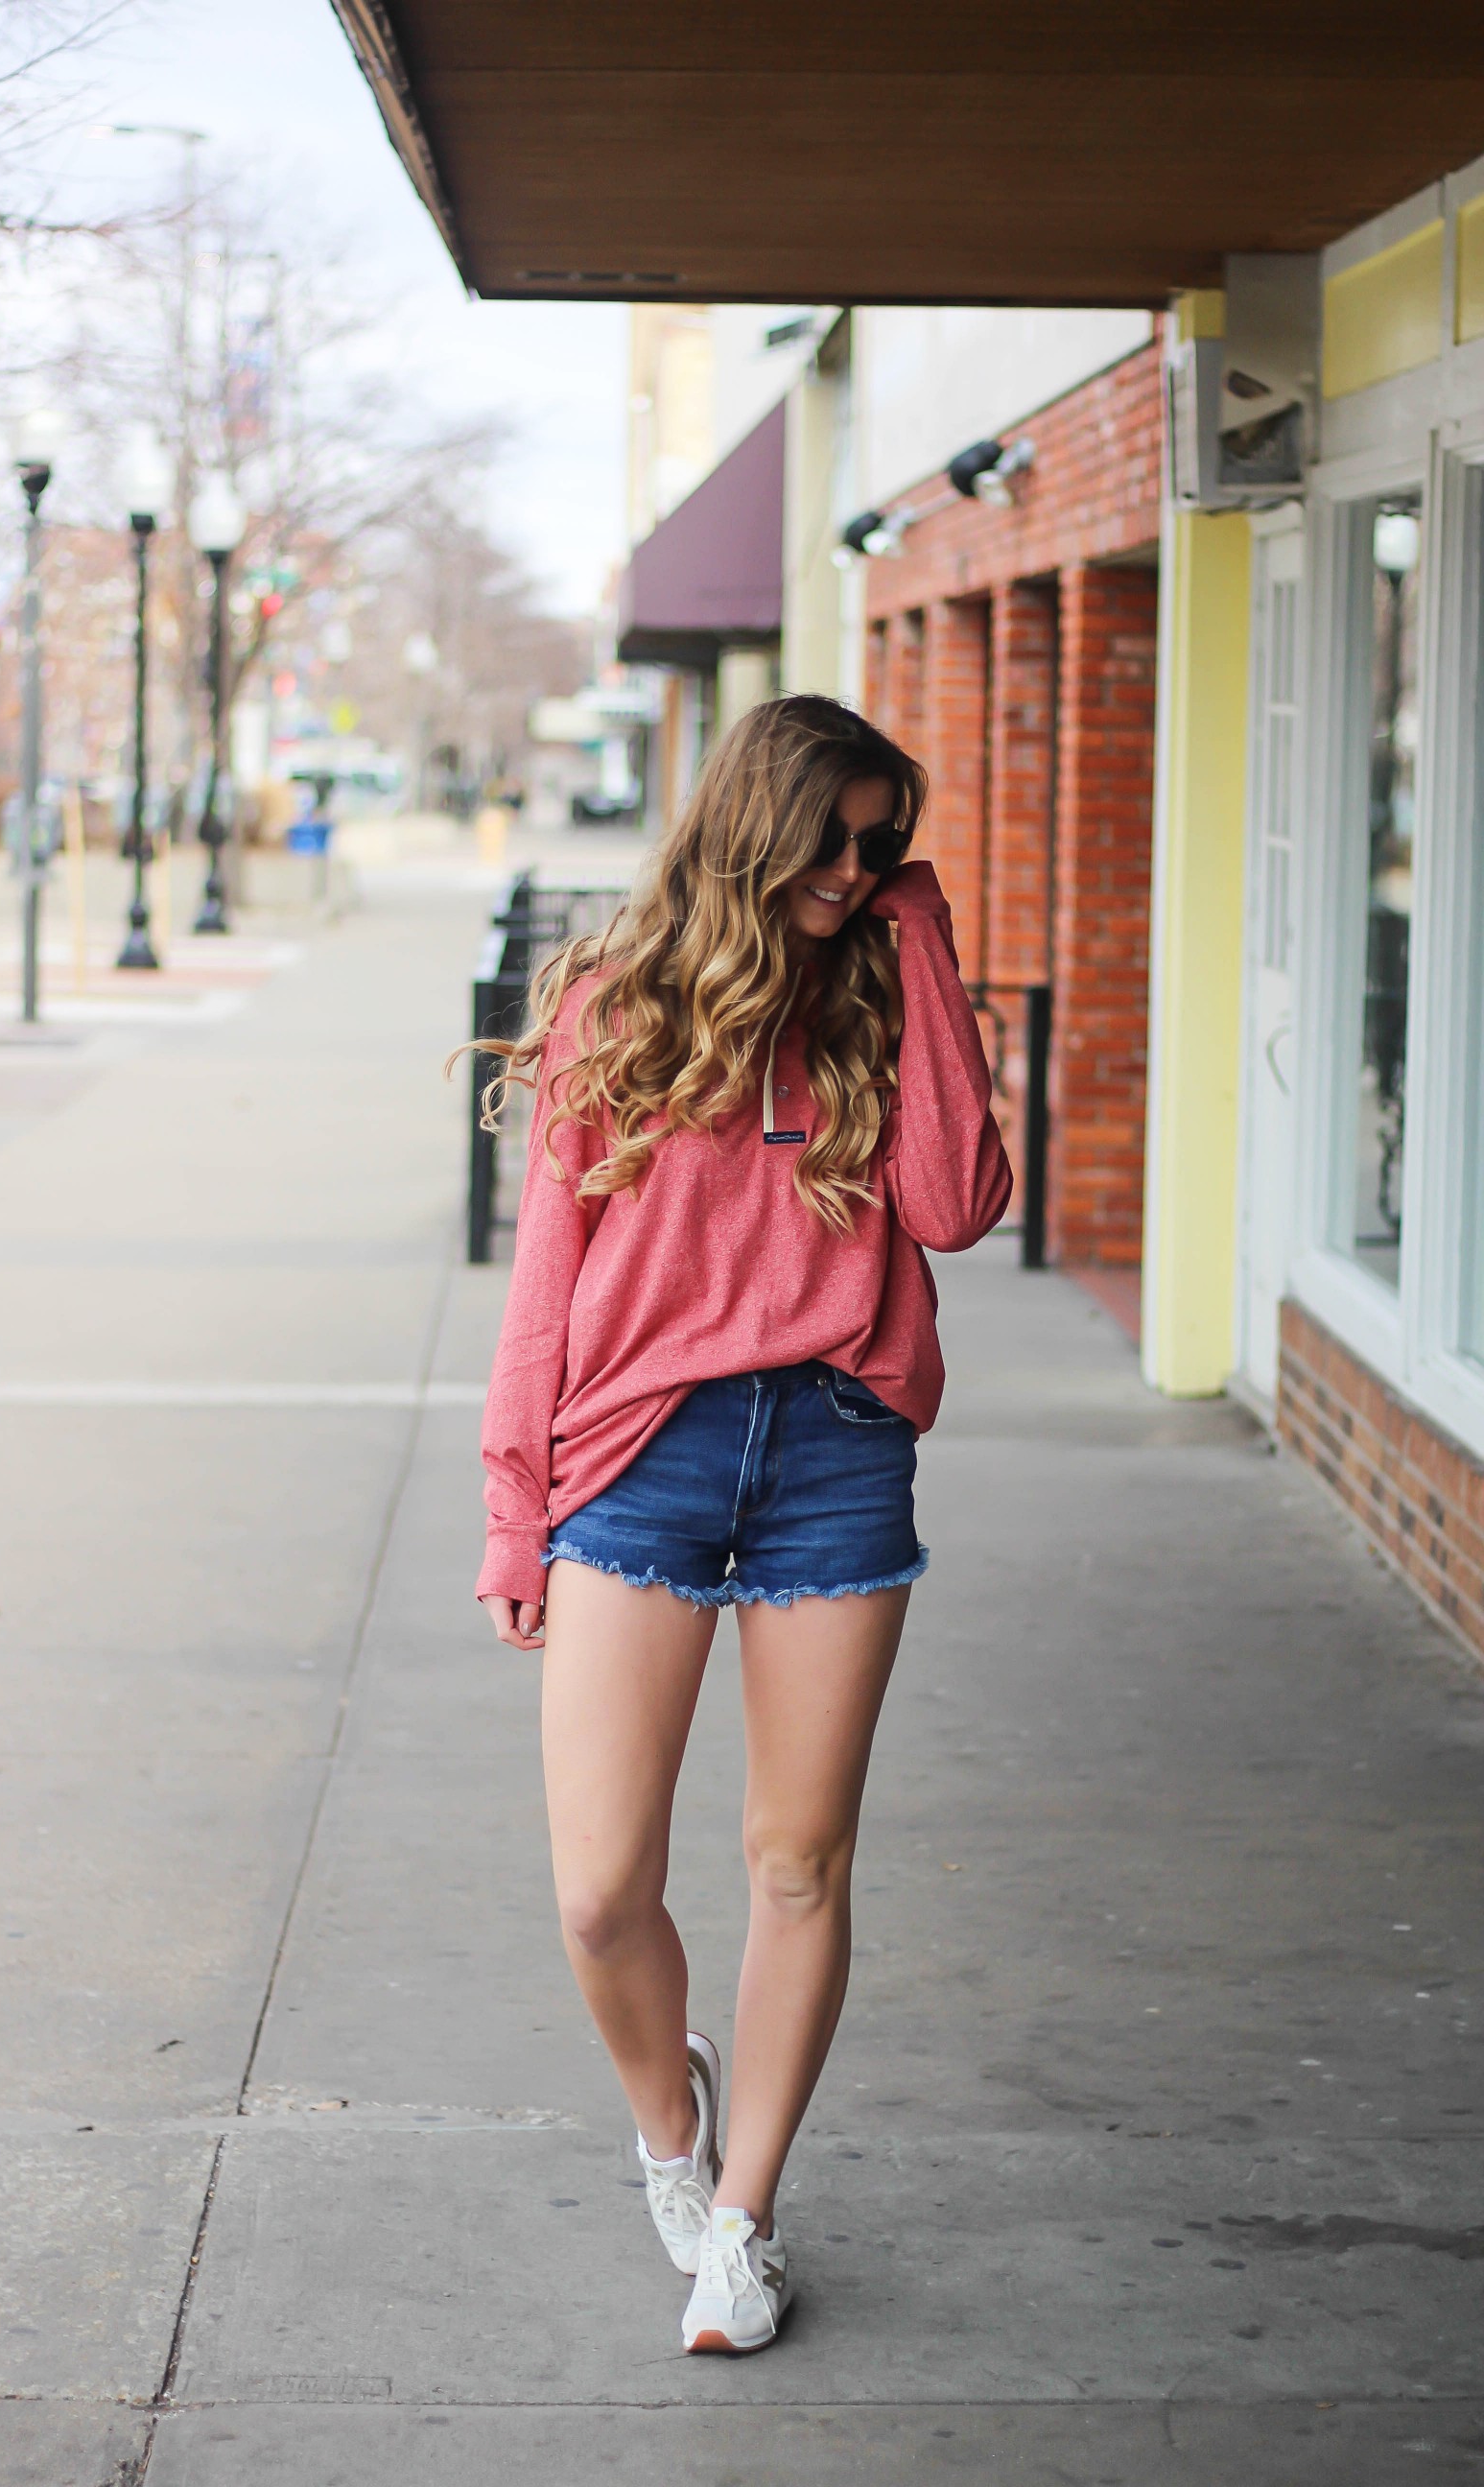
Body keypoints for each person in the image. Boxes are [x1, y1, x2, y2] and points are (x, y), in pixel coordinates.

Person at [473, 696, 1012, 2354]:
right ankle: (670, 2129)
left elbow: (957, 1206)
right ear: (756, 827)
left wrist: (922, 938)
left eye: (882, 843)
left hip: (836, 1451)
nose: (856, 871)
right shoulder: (615, 1005)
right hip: (641, 1454)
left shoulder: (882, 990)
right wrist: (515, 1506)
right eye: (834, 842)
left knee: (796, 1860)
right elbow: (548, 1284)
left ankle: (746, 2221)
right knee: (599, 1888)